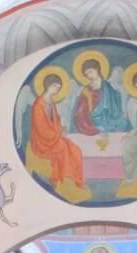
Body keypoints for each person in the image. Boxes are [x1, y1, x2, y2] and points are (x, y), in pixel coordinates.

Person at [28, 73, 90, 203]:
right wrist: (58, 133)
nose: (57, 90)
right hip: (42, 142)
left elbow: (56, 120)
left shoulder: (51, 102)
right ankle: (63, 181)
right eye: (55, 86)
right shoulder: (38, 104)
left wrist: (61, 128)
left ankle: (77, 180)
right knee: (63, 148)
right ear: (48, 85)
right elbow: (41, 129)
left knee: (75, 150)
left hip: (53, 138)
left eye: (59, 87)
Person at [72, 59, 131, 135]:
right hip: (94, 120)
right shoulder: (86, 91)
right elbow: (80, 112)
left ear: (97, 69)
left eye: (90, 72)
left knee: (124, 123)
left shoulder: (110, 88)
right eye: (86, 75)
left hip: (111, 120)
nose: (89, 76)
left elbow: (117, 110)